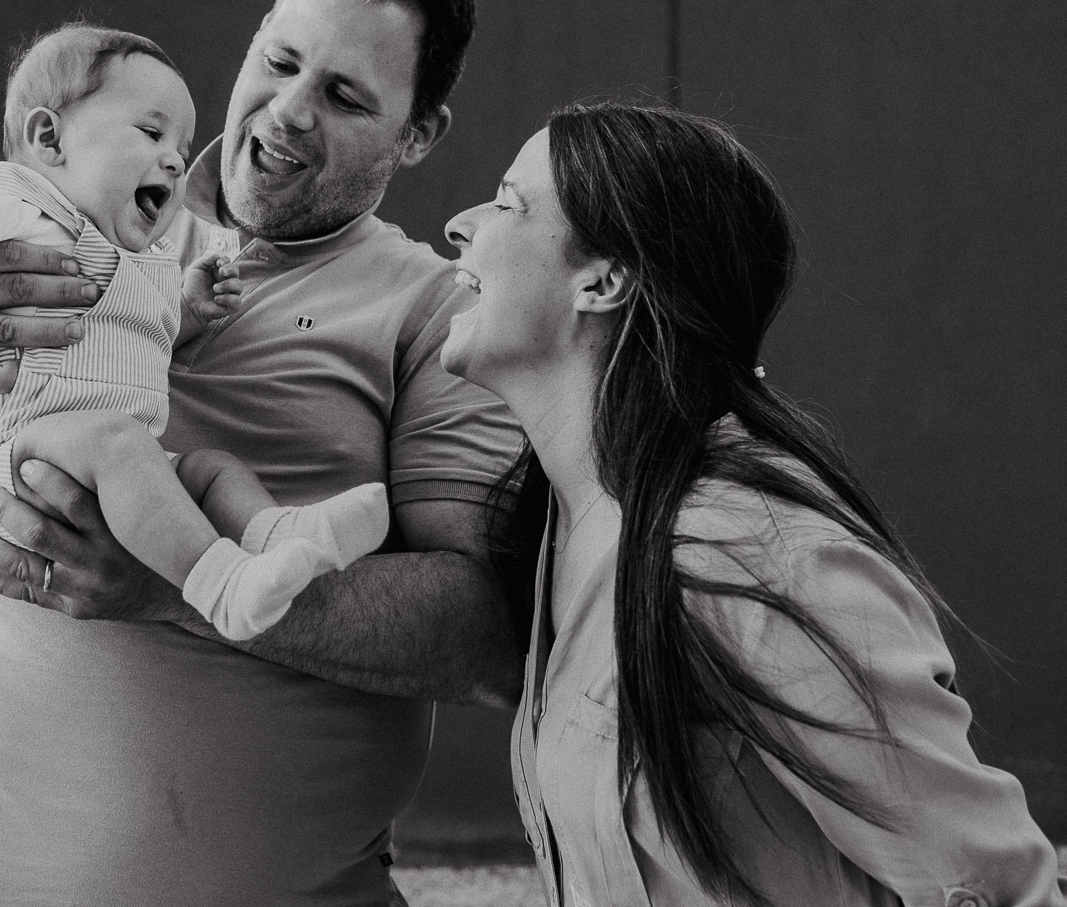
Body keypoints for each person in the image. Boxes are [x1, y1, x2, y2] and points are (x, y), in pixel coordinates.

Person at [0, 0, 522, 907]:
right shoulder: (57, 213)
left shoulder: (434, 309)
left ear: (418, 132)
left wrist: (172, 589)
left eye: (345, 95)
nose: (291, 110)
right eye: (282, 59)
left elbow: (481, 634)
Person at [437, 102, 1067, 905]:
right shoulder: (572, 528)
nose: (462, 225)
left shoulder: (747, 552)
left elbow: (997, 886)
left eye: (507, 202)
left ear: (603, 279)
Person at [0, 23, 389, 640]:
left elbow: (145, 335)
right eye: (150, 132)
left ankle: (273, 534)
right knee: (119, 443)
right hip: (6, 470)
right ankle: (223, 587)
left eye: (182, 142)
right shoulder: (18, 209)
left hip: (109, 463)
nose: (175, 157)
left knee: (209, 471)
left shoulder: (143, 257)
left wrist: (189, 306)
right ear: (48, 138)